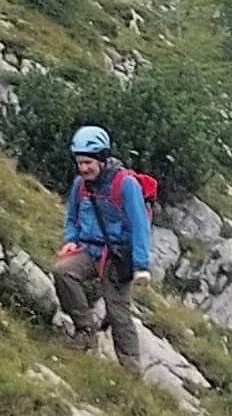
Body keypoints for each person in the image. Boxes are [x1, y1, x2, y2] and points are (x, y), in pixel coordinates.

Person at [53, 125, 152, 374]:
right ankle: (86, 330)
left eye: (88, 162)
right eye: (80, 162)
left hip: (118, 257)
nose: (84, 168)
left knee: (118, 313)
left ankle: (131, 371)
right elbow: (72, 217)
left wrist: (141, 265)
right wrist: (70, 239)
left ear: (101, 158)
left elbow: (140, 225)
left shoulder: (126, 184)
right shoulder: (80, 185)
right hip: (89, 250)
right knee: (63, 272)